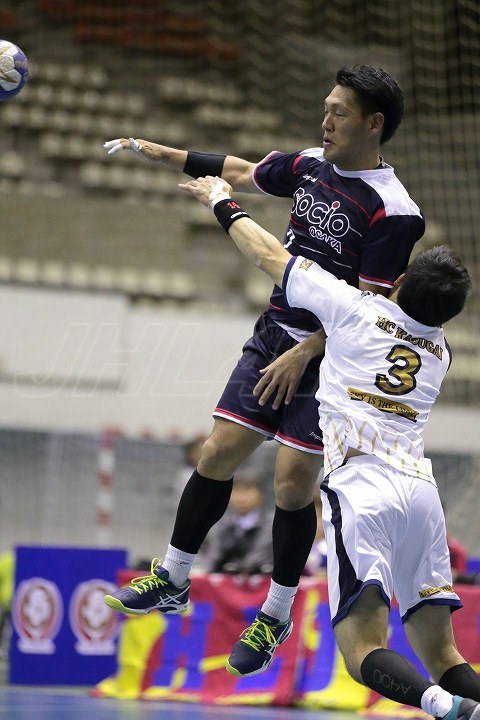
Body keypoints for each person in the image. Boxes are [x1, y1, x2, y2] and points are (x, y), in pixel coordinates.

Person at [103, 65, 425, 677]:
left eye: (339, 112)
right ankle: (172, 576)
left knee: (291, 485)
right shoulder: (310, 164)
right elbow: (245, 171)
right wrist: (163, 153)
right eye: (325, 108)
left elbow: (371, 312)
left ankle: (275, 615)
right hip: (275, 332)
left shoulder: (394, 211)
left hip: (334, 359)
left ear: (374, 124)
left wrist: (306, 353)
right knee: (216, 453)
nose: (325, 121)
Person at [177, 174, 479, 718]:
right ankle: (456, 697)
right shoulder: (441, 353)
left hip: (363, 493)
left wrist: (221, 199)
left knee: (362, 651)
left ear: (398, 281)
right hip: (421, 497)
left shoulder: (354, 310)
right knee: (444, 653)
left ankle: (442, 706)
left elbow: (269, 255)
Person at [201, 467, 274, 576]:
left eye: (247, 491)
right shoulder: (224, 524)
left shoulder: (270, 524)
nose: (241, 498)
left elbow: (258, 559)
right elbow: (212, 559)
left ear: (261, 495)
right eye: (236, 491)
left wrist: (234, 568)